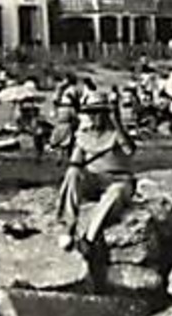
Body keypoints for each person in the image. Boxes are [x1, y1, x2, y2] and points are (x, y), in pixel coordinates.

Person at [57, 90, 137, 251]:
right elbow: (75, 163)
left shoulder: (116, 134)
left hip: (118, 180)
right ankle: (69, 225)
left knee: (115, 192)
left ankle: (90, 237)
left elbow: (129, 150)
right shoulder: (83, 135)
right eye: (91, 113)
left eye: (98, 113)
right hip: (94, 179)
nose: (94, 117)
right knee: (72, 173)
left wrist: (117, 123)